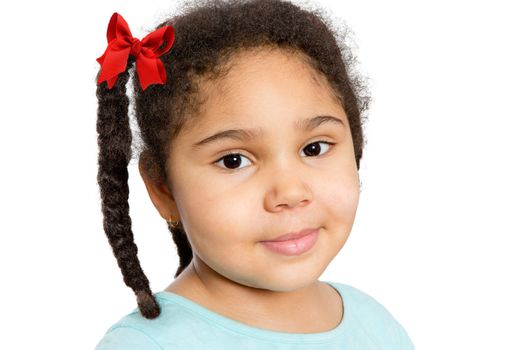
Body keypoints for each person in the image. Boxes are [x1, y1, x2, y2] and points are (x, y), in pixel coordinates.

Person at [94, 0, 414, 348]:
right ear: (163, 189)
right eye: (234, 160)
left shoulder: (375, 325)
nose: (290, 192)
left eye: (314, 148)